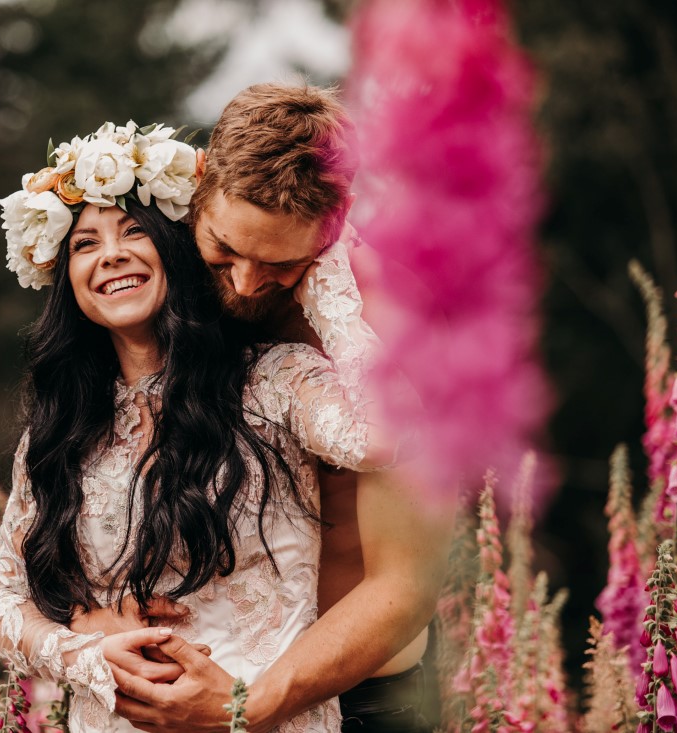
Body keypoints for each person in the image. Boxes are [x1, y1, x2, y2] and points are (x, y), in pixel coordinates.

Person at [0, 120, 394, 732]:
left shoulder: (276, 379)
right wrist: (82, 653)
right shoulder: (60, 428)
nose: (111, 253)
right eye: (84, 244)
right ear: (68, 280)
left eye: (132, 232)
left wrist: (327, 265)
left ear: (176, 249)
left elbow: (385, 437)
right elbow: (1, 600)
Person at [95, 85, 454, 733]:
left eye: (281, 263)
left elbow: (405, 586)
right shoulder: (166, 292)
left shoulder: (397, 326)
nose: (244, 283)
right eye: (224, 249)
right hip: (200, 693)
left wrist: (244, 707)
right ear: (199, 192)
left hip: (361, 703)